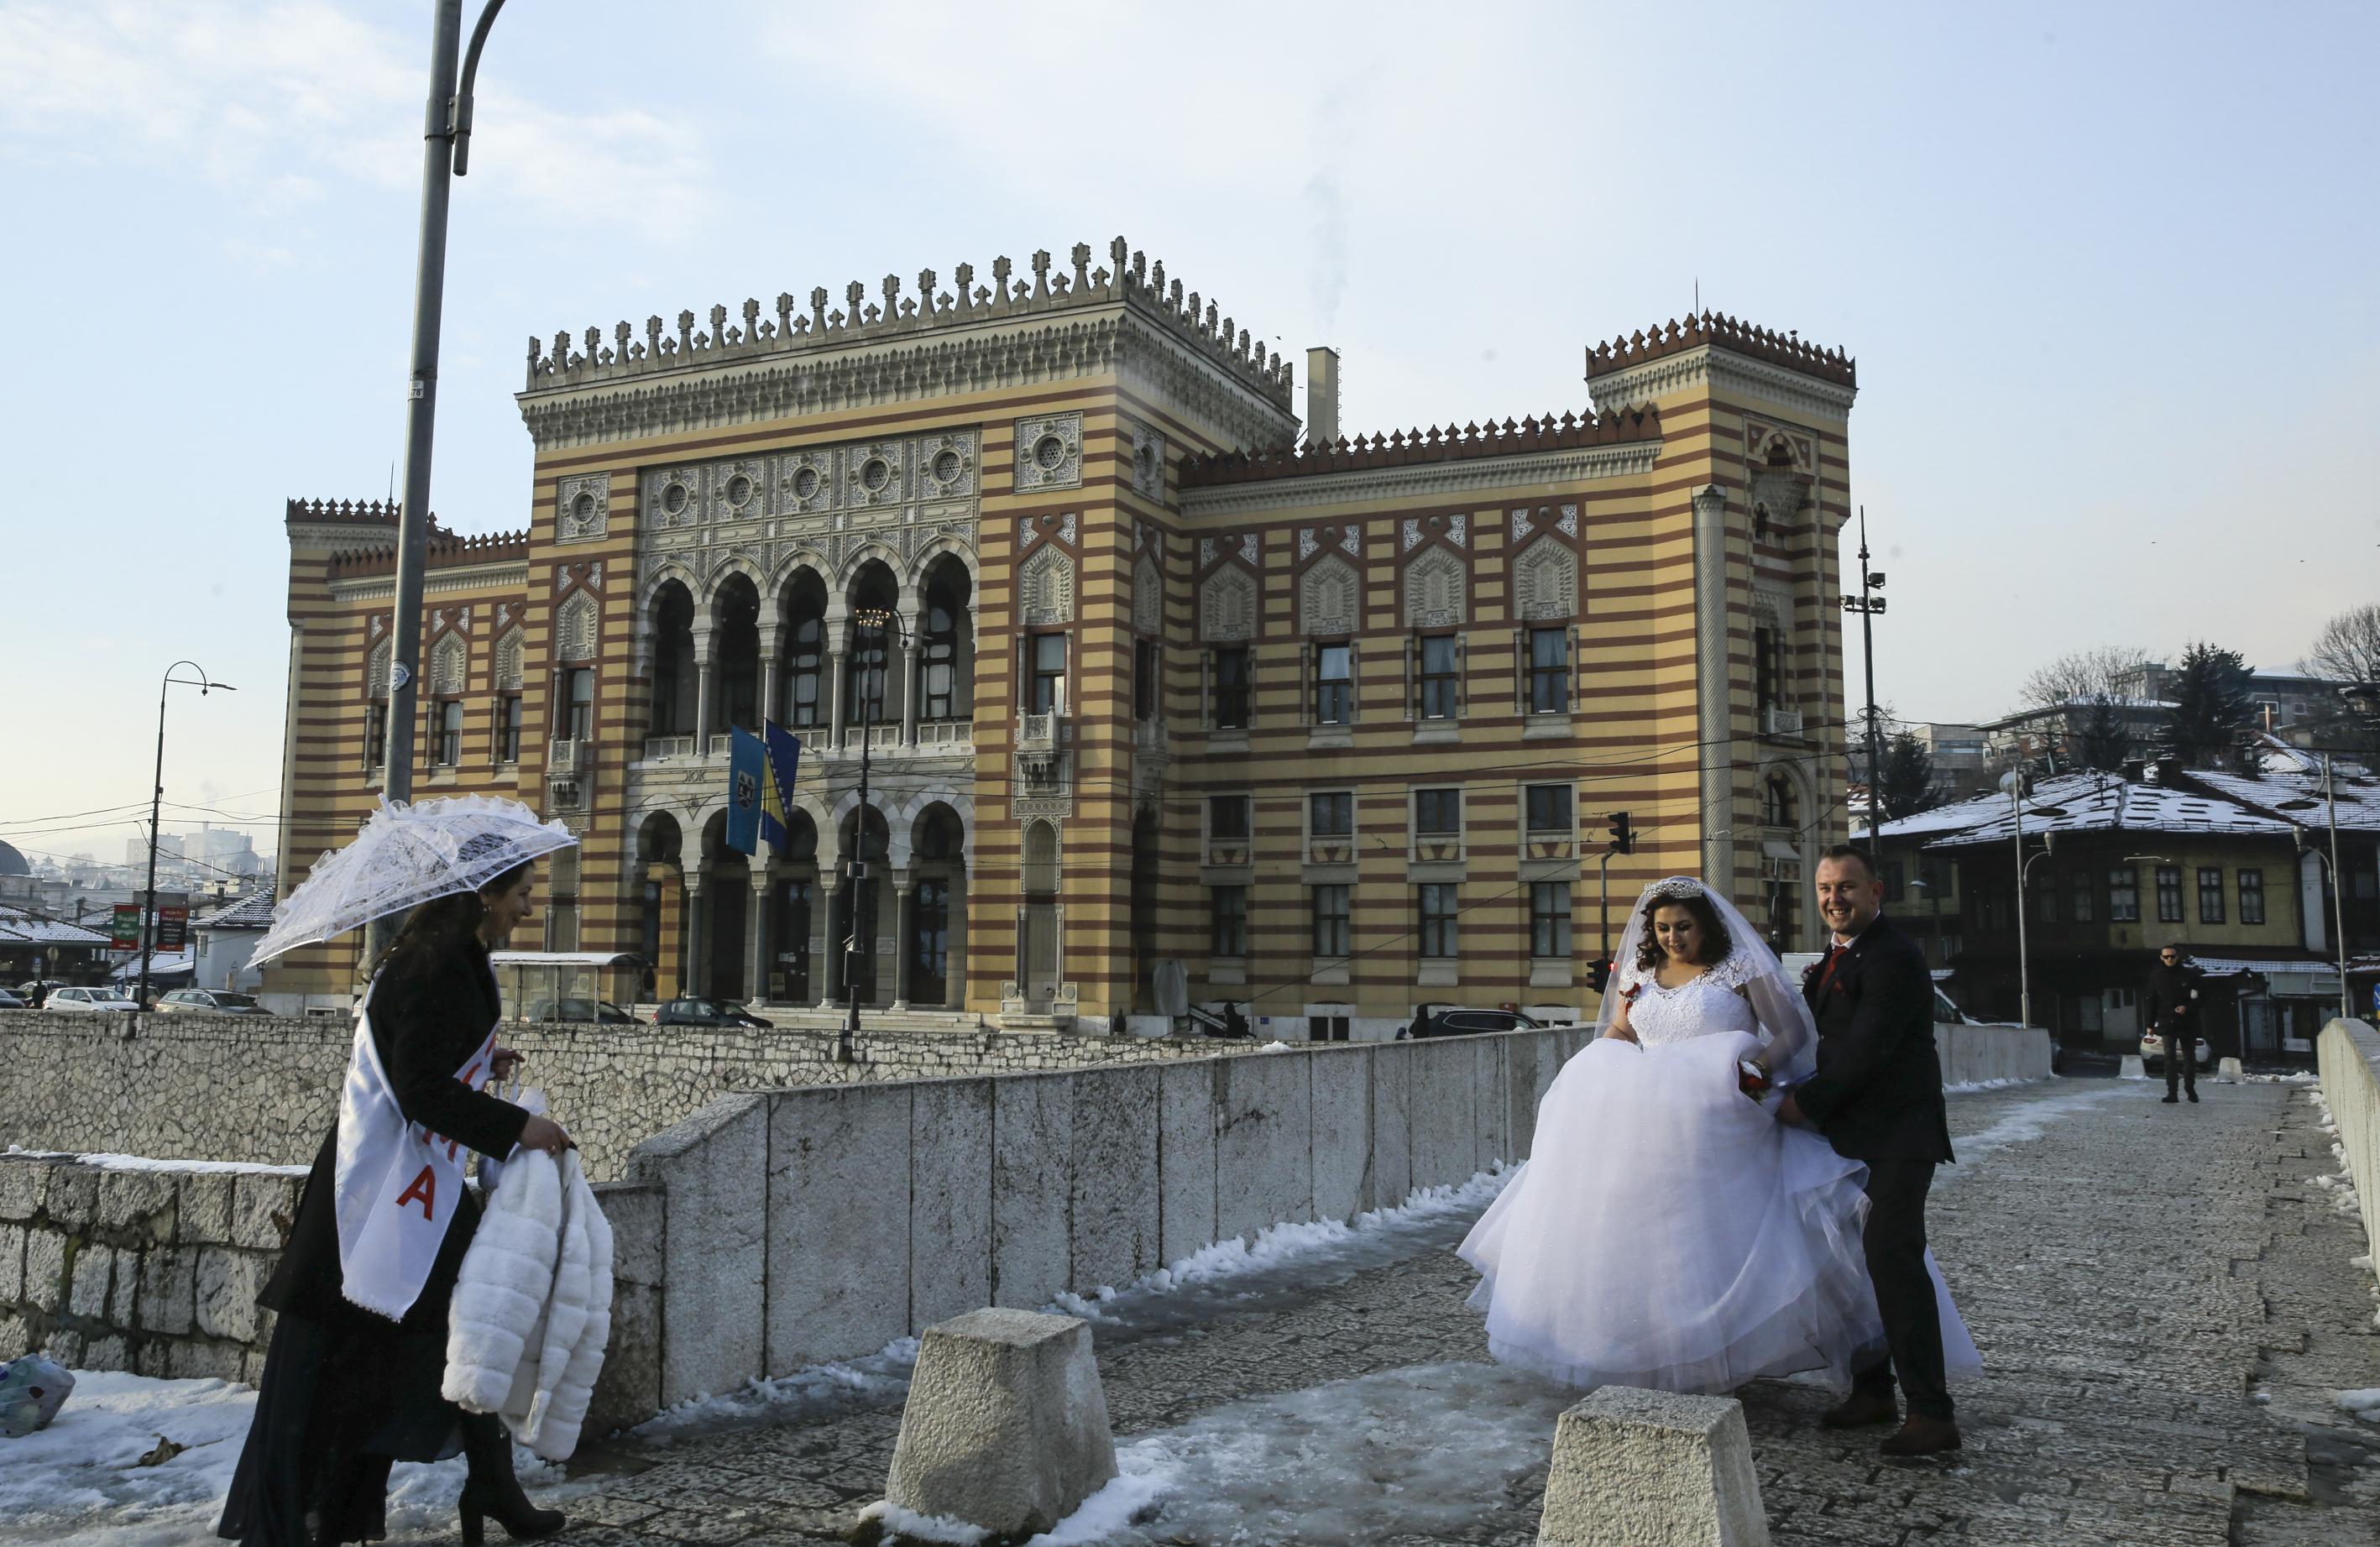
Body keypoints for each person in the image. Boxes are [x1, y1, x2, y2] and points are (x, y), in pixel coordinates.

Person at [1459, 878, 1973, 1403]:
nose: (1672, 939)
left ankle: (1842, 1374)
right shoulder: (1640, 974)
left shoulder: (1739, 970)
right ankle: (1645, 1352)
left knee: (1714, 1238)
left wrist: (1757, 1067)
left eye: (1683, 927)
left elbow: (1792, 1032)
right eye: (1662, 929)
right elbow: (1621, 1031)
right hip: (1644, 1126)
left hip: (1718, 1121)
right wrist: (1597, 1064)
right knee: (1637, 1239)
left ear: (1705, 925)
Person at [218, 860, 572, 1547]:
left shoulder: (448, 958)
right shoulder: (433, 966)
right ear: (484, 894)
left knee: (464, 1326)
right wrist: (516, 1127)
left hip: (408, 1186)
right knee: (358, 1359)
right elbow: (419, 1090)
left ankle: (488, 1484)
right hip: (375, 1195)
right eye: (522, 894)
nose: (527, 908)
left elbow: (428, 1063)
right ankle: (309, 1517)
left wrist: (483, 1061)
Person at [1776, 845, 1965, 1456]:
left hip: (1899, 1136)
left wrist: (1803, 1104)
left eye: (1847, 887)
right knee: (1853, 1266)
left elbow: (1867, 1050)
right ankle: (1872, 1388)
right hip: (1854, 1137)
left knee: (1893, 1260)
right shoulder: (1840, 956)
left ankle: (1931, 1413)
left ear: (1876, 891)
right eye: (1825, 888)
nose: (1834, 899)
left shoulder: (1893, 957)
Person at [2144, 946, 2202, 1104]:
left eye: (2172, 956)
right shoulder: (2157, 977)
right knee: (2169, 1058)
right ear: (2161, 958)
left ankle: (2190, 1089)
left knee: (2189, 1058)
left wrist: (2187, 1008)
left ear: (2178, 957)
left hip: (2188, 1022)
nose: (2169, 959)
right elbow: (2151, 1001)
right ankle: (2172, 1092)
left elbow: (2200, 998)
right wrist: (2149, 1024)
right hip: (2167, 1022)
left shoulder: (2190, 975)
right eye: (2166, 957)